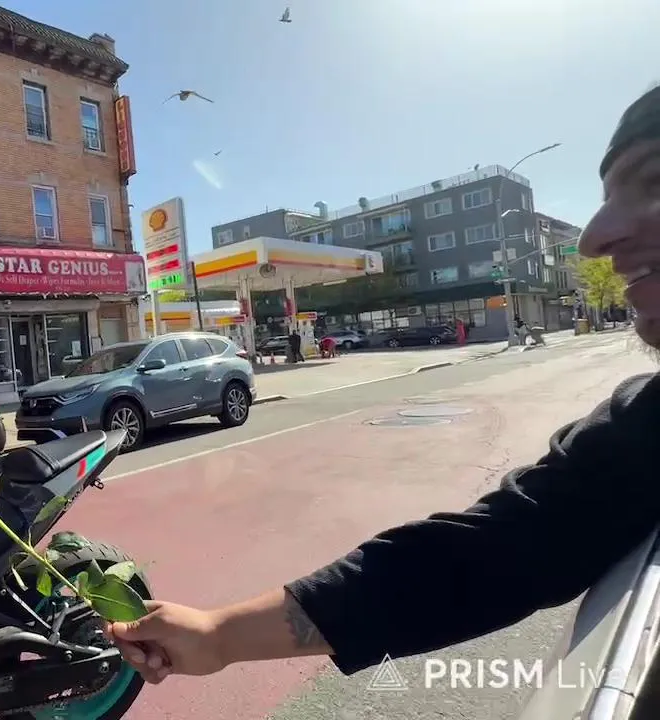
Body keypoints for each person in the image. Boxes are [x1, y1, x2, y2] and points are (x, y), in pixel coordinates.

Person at [103, 85, 660, 687]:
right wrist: (220, 636)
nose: (594, 238)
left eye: (653, 181)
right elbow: (500, 548)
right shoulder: (644, 425)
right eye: (607, 198)